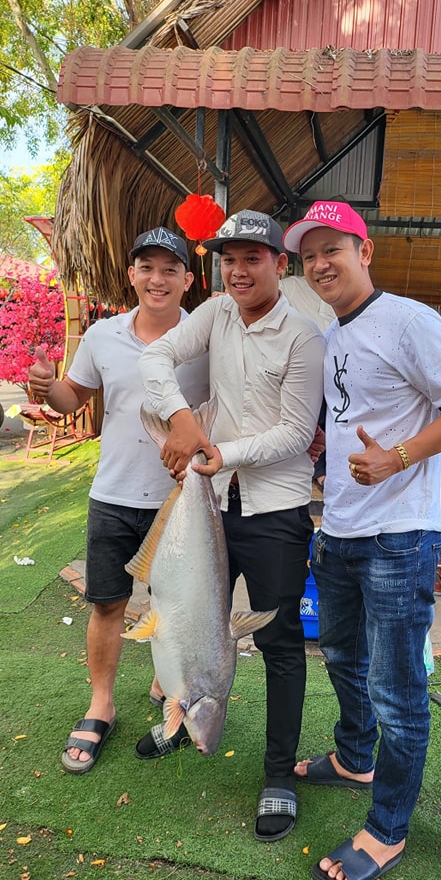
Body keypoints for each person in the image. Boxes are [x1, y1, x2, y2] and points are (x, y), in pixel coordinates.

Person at [282, 201, 441, 880]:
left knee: (397, 692)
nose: (320, 264)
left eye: (332, 249)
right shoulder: (335, 333)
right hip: (340, 530)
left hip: (398, 537)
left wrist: (398, 457)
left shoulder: (408, 320)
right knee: (343, 655)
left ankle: (389, 827)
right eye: (309, 255)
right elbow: (355, 417)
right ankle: (354, 758)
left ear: (364, 251)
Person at [137, 209, 325, 843]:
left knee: (278, 643)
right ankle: (179, 716)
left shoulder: (304, 337)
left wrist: (222, 452)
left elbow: (296, 432)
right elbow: (156, 358)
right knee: (183, 615)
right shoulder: (216, 313)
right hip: (211, 503)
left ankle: (278, 775)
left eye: (252, 258)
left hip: (274, 512)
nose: (238, 271)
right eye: (229, 259)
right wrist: (182, 419)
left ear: (280, 264)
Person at [27, 226, 208, 775]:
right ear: (131, 275)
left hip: (183, 502)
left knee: (175, 606)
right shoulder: (103, 335)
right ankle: (100, 704)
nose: (157, 279)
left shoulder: (205, 339)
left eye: (170, 269)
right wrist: (45, 387)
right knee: (107, 603)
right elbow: (72, 397)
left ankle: (165, 680)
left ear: (188, 280)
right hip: (113, 493)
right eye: (146, 268)